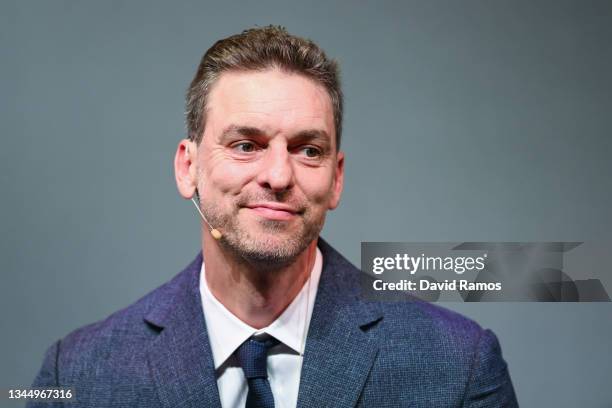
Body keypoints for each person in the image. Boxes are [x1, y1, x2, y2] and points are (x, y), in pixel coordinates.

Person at [29, 26, 518, 408]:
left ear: (337, 178)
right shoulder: (76, 375)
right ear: (188, 167)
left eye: (308, 150)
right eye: (246, 145)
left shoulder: (459, 366)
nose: (279, 175)